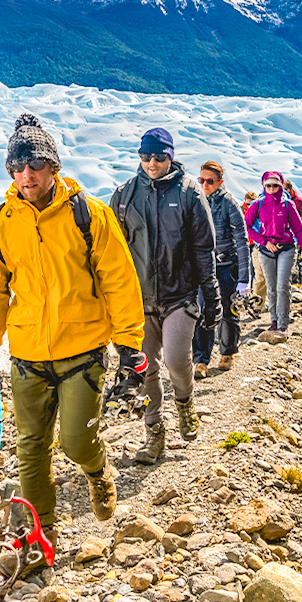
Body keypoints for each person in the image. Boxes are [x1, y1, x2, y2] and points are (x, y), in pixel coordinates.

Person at [0, 114, 145, 546]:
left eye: (35, 165)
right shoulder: (0, 222)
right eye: (18, 167)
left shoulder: (89, 214)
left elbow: (118, 279)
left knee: (75, 440)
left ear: (54, 166)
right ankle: (39, 535)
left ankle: (96, 469)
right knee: (30, 448)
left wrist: (129, 344)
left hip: (82, 349)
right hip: (28, 351)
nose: (26, 175)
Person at [110, 128, 220, 463]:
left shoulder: (188, 194)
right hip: (139, 300)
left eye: (158, 156)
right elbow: (112, 251)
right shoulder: (125, 195)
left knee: (175, 360)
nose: (152, 163)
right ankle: (153, 433)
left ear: (170, 155)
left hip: (179, 296)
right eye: (145, 157)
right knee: (146, 370)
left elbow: (204, 249)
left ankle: (185, 402)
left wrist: (211, 296)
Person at [192, 161, 250, 375]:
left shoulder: (229, 204)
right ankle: (201, 360)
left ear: (220, 182)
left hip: (226, 266)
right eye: (201, 180)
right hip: (203, 268)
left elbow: (242, 240)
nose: (205, 184)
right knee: (201, 311)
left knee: (227, 310)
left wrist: (244, 278)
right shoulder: (196, 201)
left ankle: (227, 352)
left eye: (210, 181)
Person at [245, 172, 302, 342]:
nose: (272, 189)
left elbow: (299, 229)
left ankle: (283, 324)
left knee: (283, 286)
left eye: (275, 186)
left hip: (286, 248)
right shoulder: (258, 205)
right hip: (266, 250)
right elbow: (247, 226)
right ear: (263, 186)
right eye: (268, 186)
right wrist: (263, 241)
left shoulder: (288, 205)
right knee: (271, 286)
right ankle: (273, 321)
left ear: (280, 186)